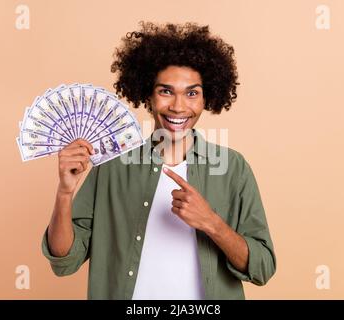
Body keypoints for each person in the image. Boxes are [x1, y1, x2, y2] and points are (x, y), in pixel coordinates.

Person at [42, 22, 276, 299]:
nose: (178, 106)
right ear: (148, 96)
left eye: (192, 93)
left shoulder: (233, 168)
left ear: (206, 98)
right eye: (166, 91)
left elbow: (262, 267)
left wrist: (211, 222)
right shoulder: (112, 165)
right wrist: (64, 193)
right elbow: (64, 260)